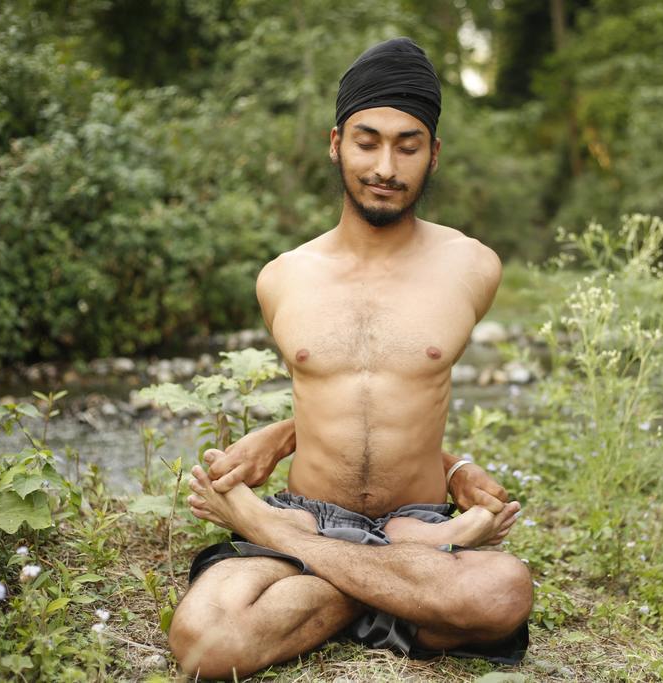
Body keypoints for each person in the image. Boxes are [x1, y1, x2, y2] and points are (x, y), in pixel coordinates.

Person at [168, 37, 534, 680]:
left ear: (435, 154)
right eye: (368, 141)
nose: (386, 166)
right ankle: (399, 600)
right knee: (205, 643)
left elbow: (399, 399)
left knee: (504, 589)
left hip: (409, 522)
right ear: (335, 142)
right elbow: (341, 399)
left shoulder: (472, 267)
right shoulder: (283, 277)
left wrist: (457, 472)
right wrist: (282, 440)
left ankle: (301, 559)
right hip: (329, 515)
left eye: (408, 144)